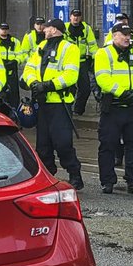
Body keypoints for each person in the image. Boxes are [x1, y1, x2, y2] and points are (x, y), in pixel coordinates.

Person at [21, 18, 84, 190]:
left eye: (47, 27)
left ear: (55, 30)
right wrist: (34, 83)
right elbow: (29, 69)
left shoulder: (70, 48)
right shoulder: (41, 47)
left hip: (60, 103)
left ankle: (75, 174)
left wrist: (48, 85)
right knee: (43, 145)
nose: (44, 29)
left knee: (62, 143)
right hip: (42, 103)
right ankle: (47, 176)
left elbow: (71, 75)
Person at [93, 23, 133, 194]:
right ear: (114, 36)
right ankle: (107, 181)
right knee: (108, 145)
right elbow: (102, 78)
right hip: (113, 107)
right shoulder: (104, 53)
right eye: (124, 34)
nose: (127, 38)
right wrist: (123, 93)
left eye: (129, 35)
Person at [0, 22, 27, 110]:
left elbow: (21, 55)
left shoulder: (15, 41)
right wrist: (0, 62)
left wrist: (15, 61)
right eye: (2, 29)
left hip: (12, 69)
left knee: (13, 93)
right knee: (0, 91)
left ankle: (13, 111)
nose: (4, 31)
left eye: (6, 29)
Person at [65, 9, 98, 116]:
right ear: (70, 17)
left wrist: (96, 58)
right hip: (68, 63)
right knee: (69, 88)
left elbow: (92, 45)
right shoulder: (65, 28)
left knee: (85, 88)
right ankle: (67, 110)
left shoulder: (86, 29)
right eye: (74, 16)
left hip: (82, 62)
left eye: (78, 16)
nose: (76, 18)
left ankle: (78, 110)